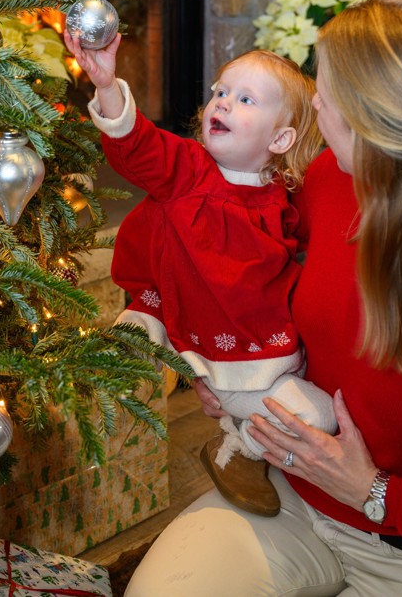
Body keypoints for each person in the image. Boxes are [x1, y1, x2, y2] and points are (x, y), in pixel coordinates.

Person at [122, 0, 402, 597]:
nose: (314, 99)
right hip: (291, 496)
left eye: (329, 85)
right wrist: (222, 364)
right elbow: (237, 271)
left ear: (379, 113)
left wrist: (373, 491)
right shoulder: (324, 180)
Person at [64, 29, 335, 518]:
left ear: (280, 139)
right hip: (184, 314)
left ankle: (237, 441)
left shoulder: (281, 198)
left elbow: (298, 259)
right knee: (136, 335)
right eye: (220, 92)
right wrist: (106, 86)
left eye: (245, 98)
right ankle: (147, 351)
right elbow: (138, 146)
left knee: (320, 412)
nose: (223, 104)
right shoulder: (188, 169)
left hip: (250, 338)